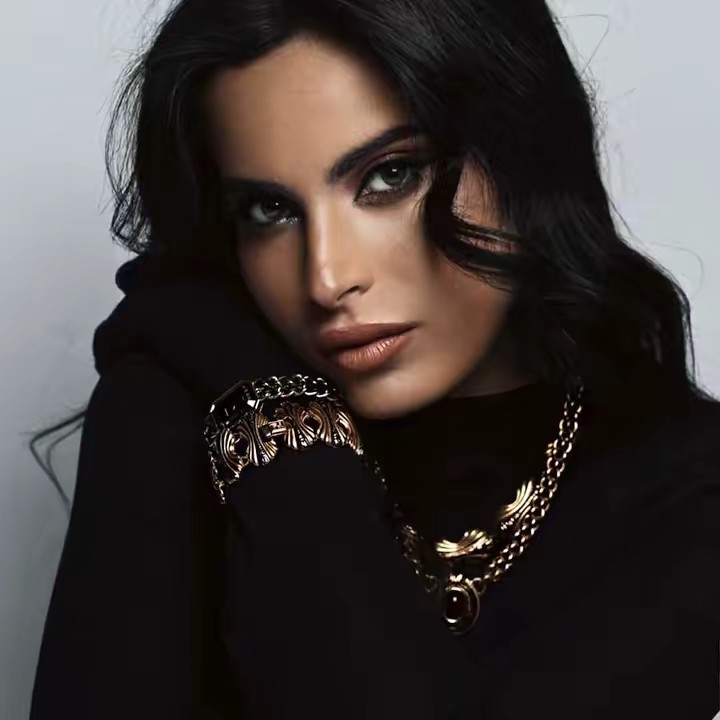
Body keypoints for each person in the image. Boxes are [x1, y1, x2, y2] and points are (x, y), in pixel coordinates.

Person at [29, 0, 720, 718]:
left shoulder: (688, 492)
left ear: (525, 152)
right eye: (269, 210)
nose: (326, 279)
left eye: (389, 176)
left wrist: (283, 429)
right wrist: (266, 410)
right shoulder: (177, 414)